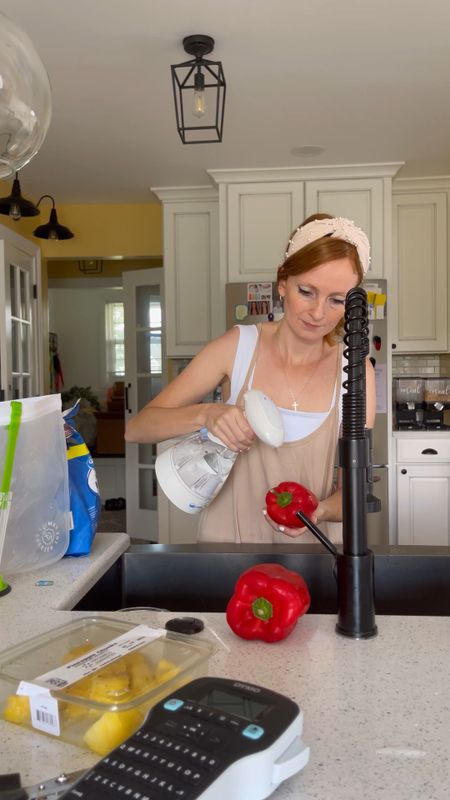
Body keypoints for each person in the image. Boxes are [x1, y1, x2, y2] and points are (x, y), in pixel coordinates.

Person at [125, 213, 376, 543]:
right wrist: (206, 414)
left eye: (337, 300)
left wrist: (319, 512)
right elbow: (138, 428)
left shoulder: (355, 369)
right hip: (228, 548)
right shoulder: (238, 346)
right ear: (282, 282)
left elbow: (355, 493)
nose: (318, 313)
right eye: (307, 291)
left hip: (313, 556)